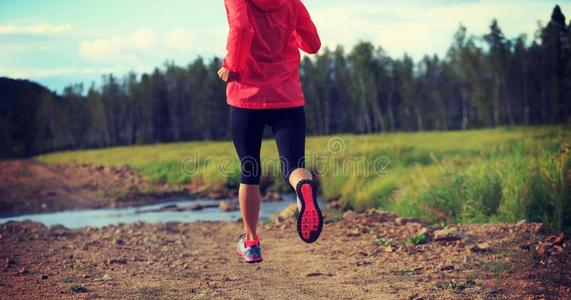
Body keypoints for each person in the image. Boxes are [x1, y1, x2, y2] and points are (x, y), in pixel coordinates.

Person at [218, 0, 322, 263]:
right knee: (293, 166)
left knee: (249, 169)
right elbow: (312, 44)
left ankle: (251, 242)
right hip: (287, 97)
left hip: (247, 97)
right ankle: (303, 186)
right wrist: (285, 33)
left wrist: (231, 65)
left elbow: (241, 28)